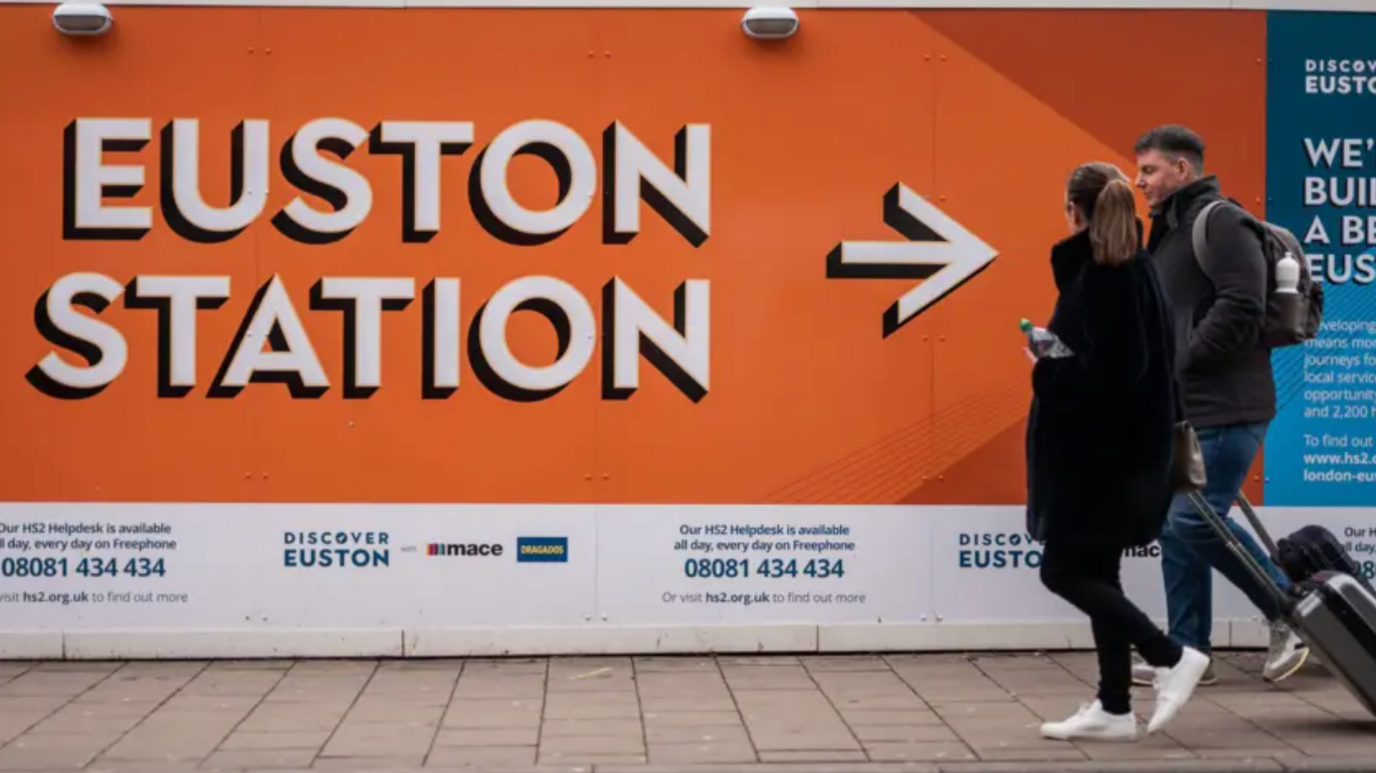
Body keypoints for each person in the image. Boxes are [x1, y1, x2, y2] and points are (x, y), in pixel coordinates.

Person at [1027, 161, 1210, 742]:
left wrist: (1047, 368)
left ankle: (1169, 655)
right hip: (1121, 453)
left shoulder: (1108, 277)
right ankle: (1113, 707)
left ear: (1073, 211)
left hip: (1100, 459)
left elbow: (1116, 372)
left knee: (1061, 571)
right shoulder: (1133, 268)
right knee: (1097, 572)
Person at [1131, 125, 1309, 687]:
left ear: (1183, 170)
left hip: (1231, 405)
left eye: (1150, 170)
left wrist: (1184, 361)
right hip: (1187, 410)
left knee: (1193, 520)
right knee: (1175, 527)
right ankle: (1187, 652)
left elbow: (1242, 303)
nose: (1140, 181)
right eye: (1139, 172)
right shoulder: (1165, 233)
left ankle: (1290, 615)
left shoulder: (1219, 221)